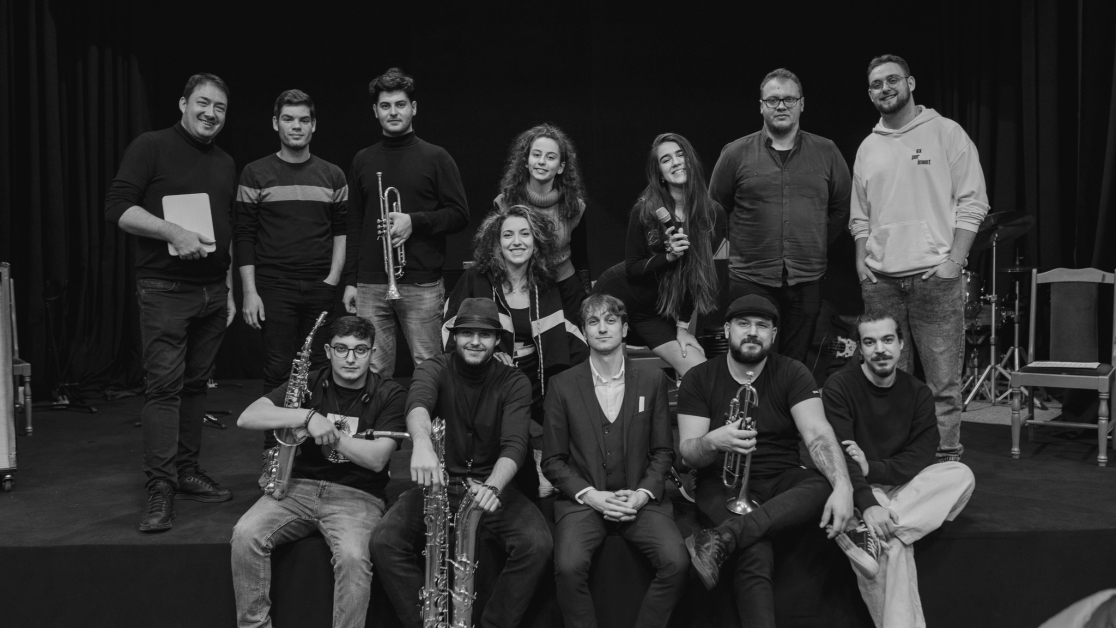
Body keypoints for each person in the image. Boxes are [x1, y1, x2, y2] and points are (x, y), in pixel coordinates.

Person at [678, 295, 869, 628]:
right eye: (744, 324)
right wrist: (712, 441)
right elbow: (688, 453)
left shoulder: (792, 372)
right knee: (755, 551)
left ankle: (724, 537)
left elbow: (818, 433)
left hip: (782, 476)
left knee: (824, 483)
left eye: (762, 326)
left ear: (774, 334)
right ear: (727, 329)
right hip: (722, 483)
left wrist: (843, 487)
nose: (753, 332)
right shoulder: (699, 377)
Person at [104, 73, 237, 533]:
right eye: (203, 103)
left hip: (212, 292)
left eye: (219, 107)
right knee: (164, 389)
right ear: (183, 103)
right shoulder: (151, 146)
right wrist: (173, 232)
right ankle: (160, 486)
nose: (210, 113)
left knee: (196, 386)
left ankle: (186, 471)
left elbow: (226, 228)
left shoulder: (225, 162)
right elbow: (117, 208)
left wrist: (229, 290)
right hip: (164, 290)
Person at [371, 298, 553, 628]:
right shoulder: (433, 368)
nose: (475, 341)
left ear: (496, 340)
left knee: (537, 544)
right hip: (439, 486)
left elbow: (515, 444)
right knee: (384, 541)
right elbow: (417, 405)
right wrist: (421, 444)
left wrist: (493, 487)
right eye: (467, 333)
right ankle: (428, 623)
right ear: (454, 337)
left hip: (492, 485)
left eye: (484, 334)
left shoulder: (514, 381)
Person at [850, 54, 990, 462]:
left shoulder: (946, 132)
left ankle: (945, 464)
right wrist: (861, 262)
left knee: (943, 385)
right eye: (876, 84)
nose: (885, 88)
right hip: (881, 283)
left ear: (910, 83)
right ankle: (897, 463)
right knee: (886, 381)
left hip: (935, 279)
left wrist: (955, 261)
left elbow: (973, 202)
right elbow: (860, 217)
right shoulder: (868, 147)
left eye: (892, 79)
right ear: (870, 94)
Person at [231, 315, 406, 628]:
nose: (350, 358)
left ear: (372, 352)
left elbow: (377, 459)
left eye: (360, 350)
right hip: (298, 487)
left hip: (359, 495)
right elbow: (247, 417)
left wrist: (333, 435)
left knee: (354, 558)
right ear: (328, 351)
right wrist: (308, 417)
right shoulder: (310, 382)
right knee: (245, 534)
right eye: (341, 349)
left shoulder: (390, 394)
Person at [542, 293, 689, 628]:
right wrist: (591, 495)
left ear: (624, 329)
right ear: (583, 331)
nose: (602, 328)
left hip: (640, 499)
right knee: (568, 567)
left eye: (610, 320)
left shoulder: (652, 380)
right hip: (584, 502)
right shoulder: (561, 385)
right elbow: (552, 460)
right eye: (593, 322)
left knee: (677, 562)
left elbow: (663, 451)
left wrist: (642, 494)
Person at [824, 311, 975, 628]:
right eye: (870, 342)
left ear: (902, 344)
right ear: (860, 348)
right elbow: (840, 457)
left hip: (900, 485)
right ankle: (880, 531)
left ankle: (868, 534)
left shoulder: (917, 392)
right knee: (892, 546)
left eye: (887, 340)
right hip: (862, 489)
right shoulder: (840, 386)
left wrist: (872, 467)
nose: (880, 349)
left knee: (960, 475)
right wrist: (869, 504)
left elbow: (922, 455)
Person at [708, 68, 851, 363]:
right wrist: (745, 245)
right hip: (750, 276)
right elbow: (715, 210)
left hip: (807, 278)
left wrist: (815, 241)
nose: (781, 106)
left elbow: (841, 206)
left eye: (789, 99)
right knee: (751, 357)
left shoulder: (827, 151)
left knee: (795, 363)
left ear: (802, 104)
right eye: (773, 100)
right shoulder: (735, 153)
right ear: (761, 106)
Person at [444, 203, 588, 496]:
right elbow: (450, 327)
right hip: (489, 375)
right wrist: (487, 358)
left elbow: (565, 332)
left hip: (538, 373)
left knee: (571, 405)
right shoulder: (477, 279)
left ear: (536, 241)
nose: (517, 242)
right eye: (508, 235)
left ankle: (548, 459)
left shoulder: (544, 282)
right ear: (496, 242)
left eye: (525, 234)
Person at [342, 67, 469, 377]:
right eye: (385, 106)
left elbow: (459, 214)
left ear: (413, 108)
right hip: (370, 284)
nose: (393, 112)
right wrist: (351, 281)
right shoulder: (362, 160)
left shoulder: (436, 157)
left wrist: (414, 221)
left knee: (429, 367)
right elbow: (354, 224)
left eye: (400, 104)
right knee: (372, 371)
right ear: (375, 111)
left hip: (421, 283)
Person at [235, 89, 347, 398]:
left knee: (319, 366)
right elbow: (244, 234)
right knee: (278, 368)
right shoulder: (255, 173)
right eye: (288, 119)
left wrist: (333, 279)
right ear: (276, 123)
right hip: (274, 286)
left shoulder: (333, 175)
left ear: (313, 125)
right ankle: (278, 431)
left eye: (303, 120)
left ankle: (312, 431)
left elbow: (342, 232)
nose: (296, 126)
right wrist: (250, 292)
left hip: (320, 284)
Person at [594, 132, 726, 379]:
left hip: (655, 313)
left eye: (680, 155)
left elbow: (696, 277)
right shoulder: (645, 210)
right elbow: (633, 268)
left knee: (703, 375)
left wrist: (683, 327)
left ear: (691, 160)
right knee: (610, 381)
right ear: (660, 174)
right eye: (666, 160)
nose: (675, 162)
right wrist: (668, 257)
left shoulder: (713, 213)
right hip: (616, 298)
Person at [494, 124, 590, 320]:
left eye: (551, 157)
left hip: (565, 290)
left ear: (561, 167)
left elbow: (581, 258)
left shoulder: (574, 207)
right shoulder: (505, 203)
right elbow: (495, 256)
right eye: (536, 155)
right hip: (518, 288)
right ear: (526, 161)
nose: (541, 162)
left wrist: (587, 296)